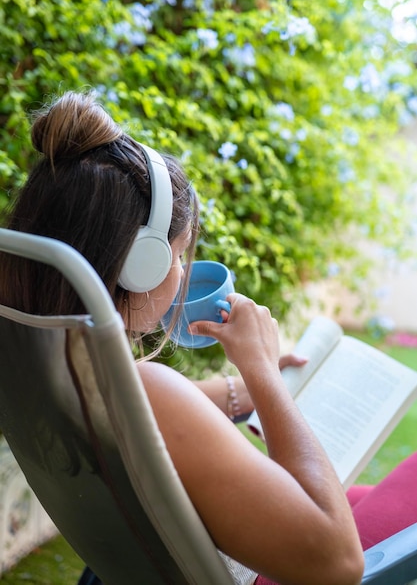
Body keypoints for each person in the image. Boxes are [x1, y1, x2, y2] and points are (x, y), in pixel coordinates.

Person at [0, 90, 365, 585]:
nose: (178, 269)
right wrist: (260, 369)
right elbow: (338, 564)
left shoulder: (42, 362)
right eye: (176, 255)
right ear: (140, 264)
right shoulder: (147, 388)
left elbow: (158, 411)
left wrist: (243, 392)